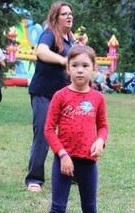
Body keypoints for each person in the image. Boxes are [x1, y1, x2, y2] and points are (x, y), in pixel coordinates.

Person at [44, 45, 109, 213]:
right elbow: (49, 129)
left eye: (85, 66)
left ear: (94, 69)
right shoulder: (60, 96)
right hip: (63, 161)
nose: (80, 70)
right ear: (68, 68)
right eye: (75, 65)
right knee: (58, 208)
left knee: (89, 207)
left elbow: (102, 126)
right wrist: (62, 154)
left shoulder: (98, 98)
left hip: (88, 162)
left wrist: (101, 140)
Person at [26, 1, 75, 192]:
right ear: (56, 17)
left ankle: (69, 173)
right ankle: (34, 179)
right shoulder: (49, 34)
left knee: (69, 134)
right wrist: (64, 60)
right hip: (43, 93)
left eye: (70, 13)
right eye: (64, 14)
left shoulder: (70, 39)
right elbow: (41, 52)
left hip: (64, 96)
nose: (69, 17)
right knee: (43, 135)